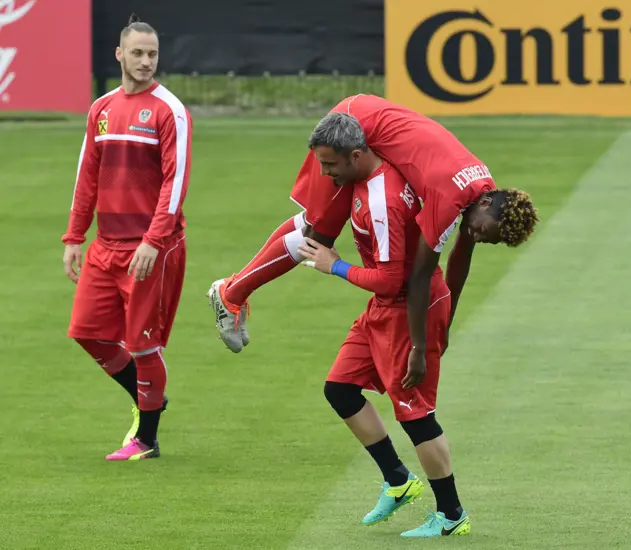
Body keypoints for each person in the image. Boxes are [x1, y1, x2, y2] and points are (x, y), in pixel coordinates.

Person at [207, 95, 538, 357]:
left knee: (315, 225)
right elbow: (421, 275)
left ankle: (232, 291)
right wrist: (424, 345)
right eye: (482, 230)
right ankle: (231, 294)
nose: (476, 236)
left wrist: (445, 325)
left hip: (368, 114)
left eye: (486, 240)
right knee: (317, 235)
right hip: (355, 124)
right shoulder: (448, 196)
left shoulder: (485, 190)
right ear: (483, 206)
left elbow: (460, 260)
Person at [296, 112, 469, 538]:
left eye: (331, 164)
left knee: (416, 414)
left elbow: (392, 279)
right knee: (339, 388)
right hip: (385, 308)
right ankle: (398, 480)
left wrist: (333, 265)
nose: (325, 172)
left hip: (409, 309)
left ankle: (452, 516)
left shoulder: (382, 200)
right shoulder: (368, 179)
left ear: (357, 154)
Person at [61, 14, 192, 461]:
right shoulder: (101, 109)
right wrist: (75, 235)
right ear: (119, 55)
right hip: (106, 246)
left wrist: (154, 242)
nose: (145, 61)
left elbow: (176, 184)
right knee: (88, 333)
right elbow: (87, 175)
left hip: (150, 249)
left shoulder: (169, 110)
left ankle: (148, 439)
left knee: (142, 342)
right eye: (137, 53)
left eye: (152, 54)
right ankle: (148, 395)